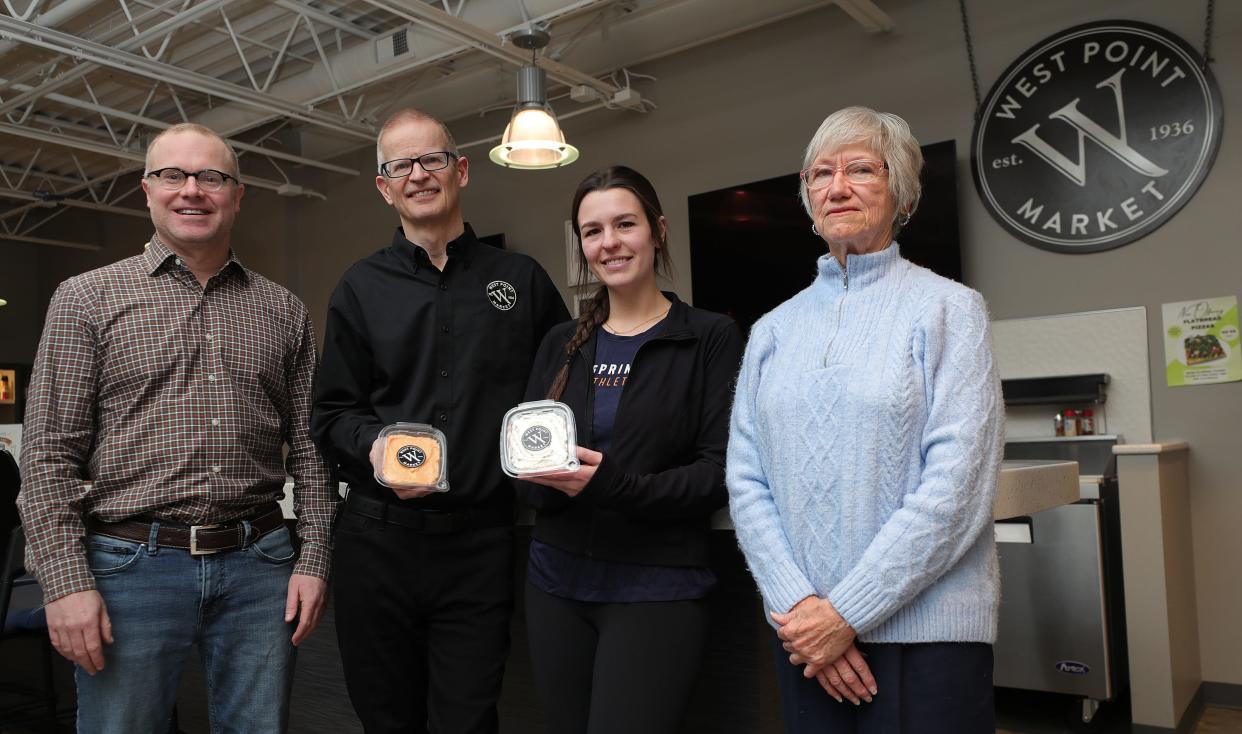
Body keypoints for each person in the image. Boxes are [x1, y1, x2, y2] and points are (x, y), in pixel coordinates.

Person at [17, 122, 338, 732]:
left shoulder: (282, 311)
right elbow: (49, 456)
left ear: (237, 195)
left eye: (212, 177)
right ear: (147, 189)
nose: (192, 190)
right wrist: (63, 583)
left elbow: (312, 452)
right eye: (173, 175)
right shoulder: (86, 299)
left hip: (260, 566)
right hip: (126, 568)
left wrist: (314, 558)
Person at [726, 106, 1004, 734]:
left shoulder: (950, 311)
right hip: (803, 639)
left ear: (899, 189)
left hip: (927, 640)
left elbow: (956, 489)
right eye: (820, 174)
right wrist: (801, 608)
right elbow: (747, 480)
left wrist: (846, 613)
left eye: (859, 169)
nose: (837, 186)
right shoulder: (772, 331)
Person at [310, 108, 568, 734]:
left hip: (480, 544)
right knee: (387, 720)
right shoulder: (359, 287)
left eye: (432, 159)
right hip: (377, 543)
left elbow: (563, 391)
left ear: (461, 170)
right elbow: (331, 414)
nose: (418, 174)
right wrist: (375, 448)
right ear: (383, 185)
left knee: (468, 720)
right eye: (401, 165)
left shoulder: (522, 281)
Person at [516, 165, 744, 734]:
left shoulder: (709, 336)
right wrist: (534, 476)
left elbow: (718, 474)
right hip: (554, 584)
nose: (609, 242)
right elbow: (525, 453)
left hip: (656, 588)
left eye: (625, 224)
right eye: (592, 231)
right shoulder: (562, 343)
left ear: (658, 230)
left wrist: (611, 484)